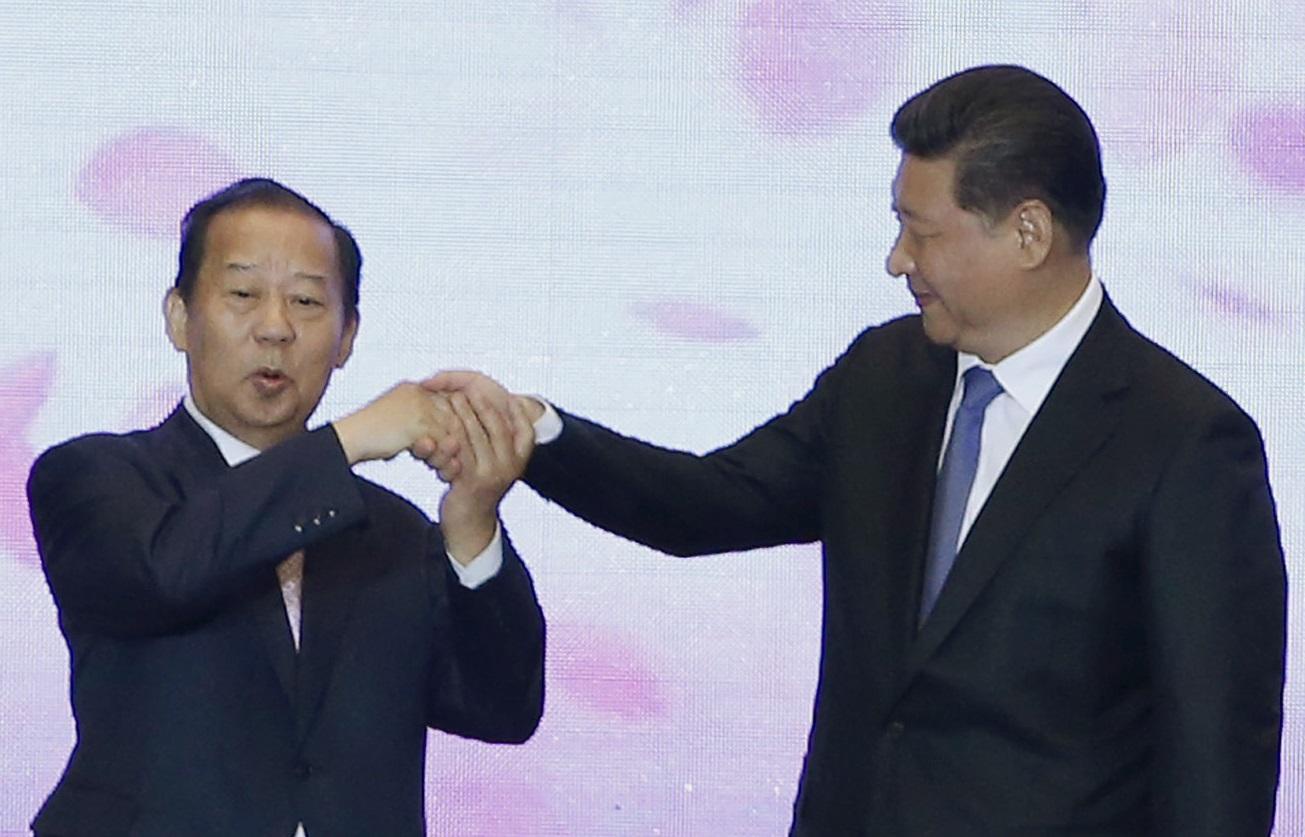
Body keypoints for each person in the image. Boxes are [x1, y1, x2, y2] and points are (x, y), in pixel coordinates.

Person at [427, 66, 1287, 835]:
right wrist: (531, 431)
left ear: (1028, 232)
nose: (896, 260)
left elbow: (1216, 758)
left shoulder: (1182, 442)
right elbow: (707, 503)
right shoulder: (885, 376)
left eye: (922, 232)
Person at [27, 178, 545, 837]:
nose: (275, 328)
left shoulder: (393, 532)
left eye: (306, 301)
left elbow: (501, 708)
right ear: (180, 318)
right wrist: (349, 440)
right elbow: (164, 573)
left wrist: (472, 524)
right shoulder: (95, 477)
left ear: (346, 337)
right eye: (243, 295)